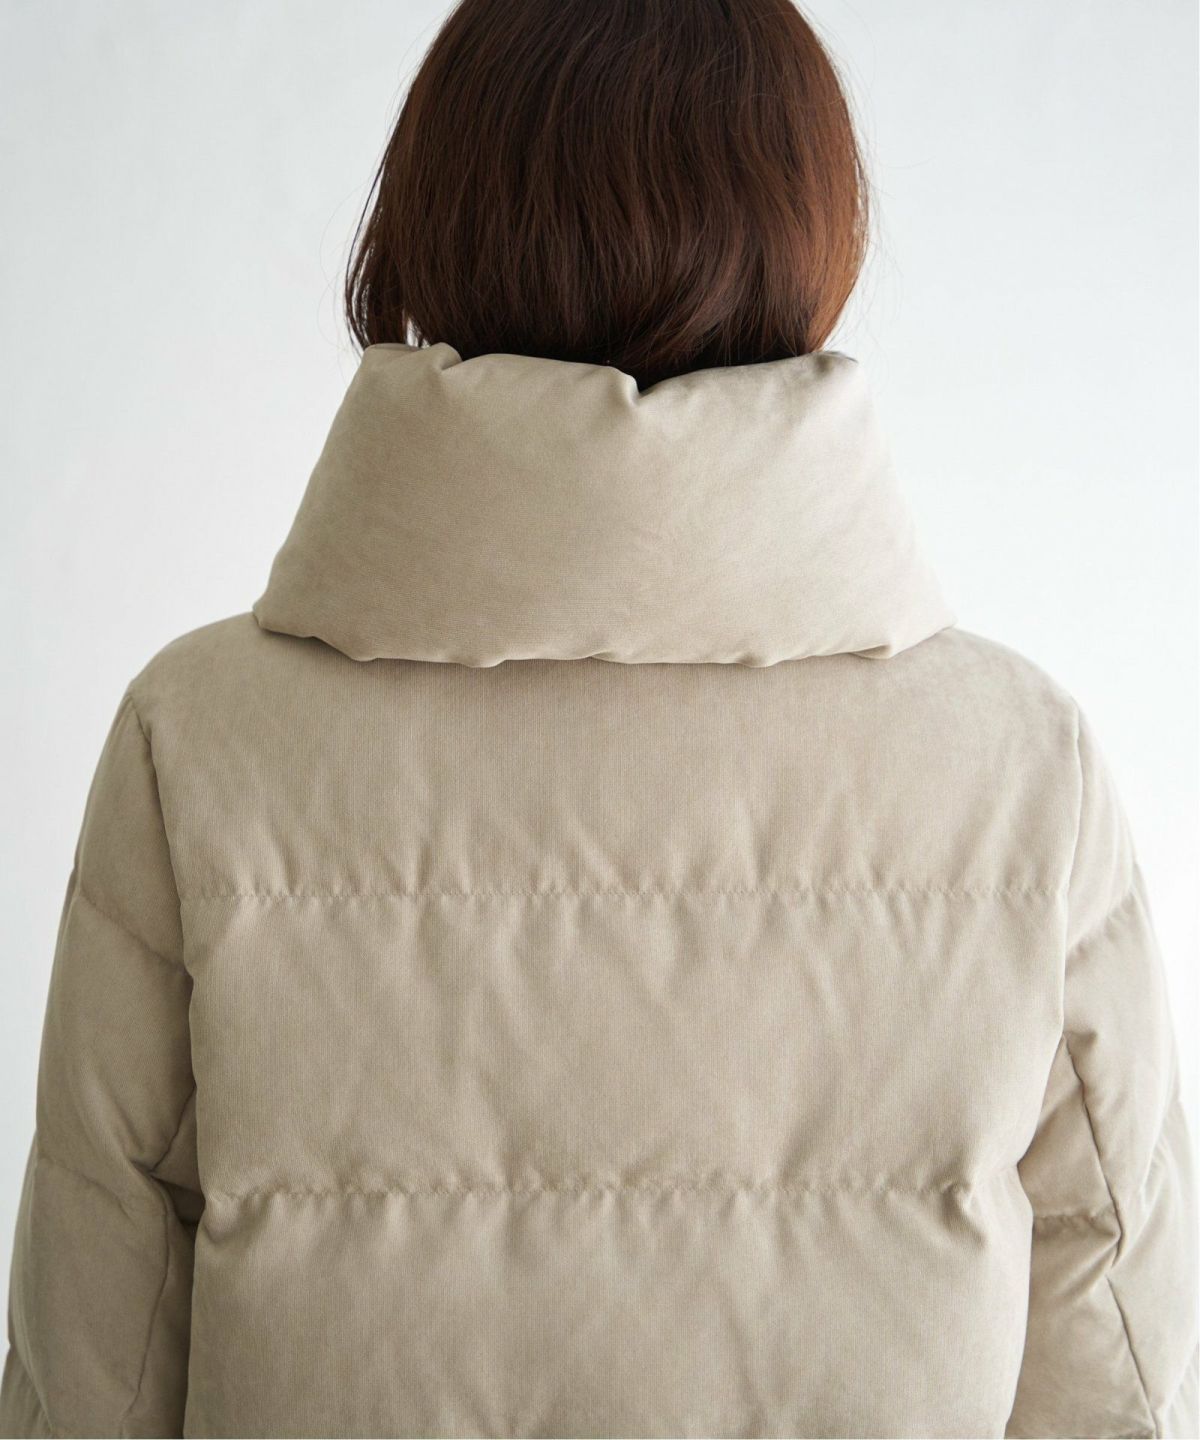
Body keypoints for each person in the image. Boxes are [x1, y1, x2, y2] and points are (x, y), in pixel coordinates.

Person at [2, 0, 1195, 1435]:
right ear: (813, 231)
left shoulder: (196, 740)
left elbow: (91, 1373)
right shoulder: (1022, 769)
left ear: (434, 216)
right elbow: (1114, 1382)